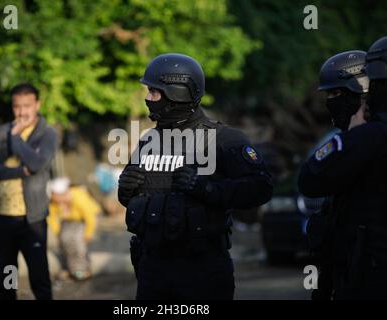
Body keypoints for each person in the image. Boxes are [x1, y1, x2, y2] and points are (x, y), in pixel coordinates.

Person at [118, 53, 273, 300]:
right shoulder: (149, 139)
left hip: (201, 270)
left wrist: (207, 189)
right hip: (152, 270)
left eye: (154, 92)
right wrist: (125, 190)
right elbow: (139, 199)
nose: (148, 98)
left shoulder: (223, 139)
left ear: (177, 92)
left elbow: (261, 187)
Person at [298, 36, 387, 299]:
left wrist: (353, 136)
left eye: (336, 94)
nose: (330, 102)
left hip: (369, 275)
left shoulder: (367, 138)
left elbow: (310, 179)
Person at [0, 83, 57, 300]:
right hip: (2, 220)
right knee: (7, 281)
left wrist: (16, 137)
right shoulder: (1, 132)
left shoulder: (47, 134)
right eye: (17, 107)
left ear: (37, 105)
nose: (22, 112)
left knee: (39, 279)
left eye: (27, 106)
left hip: (32, 221)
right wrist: (16, 171)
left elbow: (36, 164)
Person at [48, 177, 101, 280]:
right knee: (65, 240)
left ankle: (83, 269)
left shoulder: (78, 196)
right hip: (70, 220)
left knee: (78, 241)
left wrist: (88, 234)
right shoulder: (55, 202)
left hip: (86, 220)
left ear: (61, 193)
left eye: (54, 195)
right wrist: (58, 232)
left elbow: (90, 217)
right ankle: (71, 268)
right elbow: (52, 218)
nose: (52, 197)